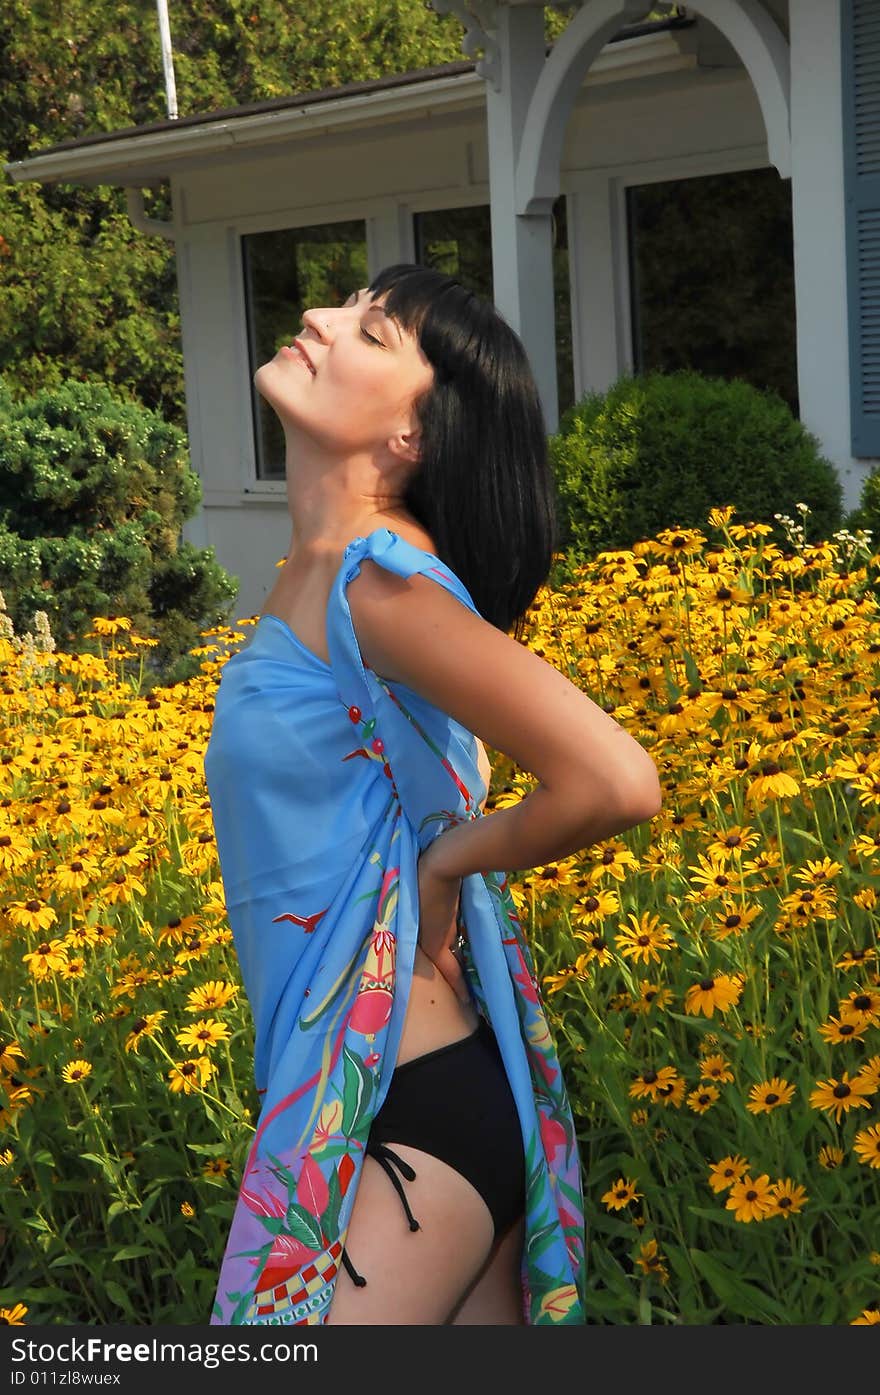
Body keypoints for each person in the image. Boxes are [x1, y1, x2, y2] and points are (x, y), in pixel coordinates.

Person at [203, 263, 662, 1327]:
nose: (314, 318)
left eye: (369, 330)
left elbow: (616, 778)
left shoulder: (378, 583)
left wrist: (449, 859)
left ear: (415, 434)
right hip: (403, 1107)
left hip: (410, 1117)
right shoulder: (327, 572)